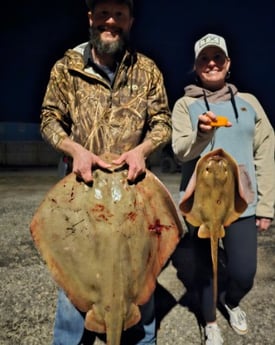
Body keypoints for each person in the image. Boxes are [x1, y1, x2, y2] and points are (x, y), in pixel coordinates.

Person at [40, 0, 172, 344]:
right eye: (103, 14)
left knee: (140, 285)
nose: (110, 21)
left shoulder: (147, 70)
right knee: (73, 293)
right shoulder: (66, 68)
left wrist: (142, 151)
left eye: (119, 15)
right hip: (82, 191)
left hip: (134, 193)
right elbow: (49, 119)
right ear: (90, 17)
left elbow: (162, 123)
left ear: (130, 21)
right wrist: (76, 150)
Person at [171, 33, 275, 345]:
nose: (212, 63)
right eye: (205, 58)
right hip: (201, 205)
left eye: (218, 57)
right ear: (196, 66)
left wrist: (267, 206)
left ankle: (230, 301)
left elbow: (265, 153)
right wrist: (202, 133)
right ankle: (211, 322)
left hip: (241, 203)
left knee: (244, 272)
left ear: (228, 64)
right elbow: (180, 150)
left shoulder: (249, 103)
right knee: (206, 270)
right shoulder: (185, 105)